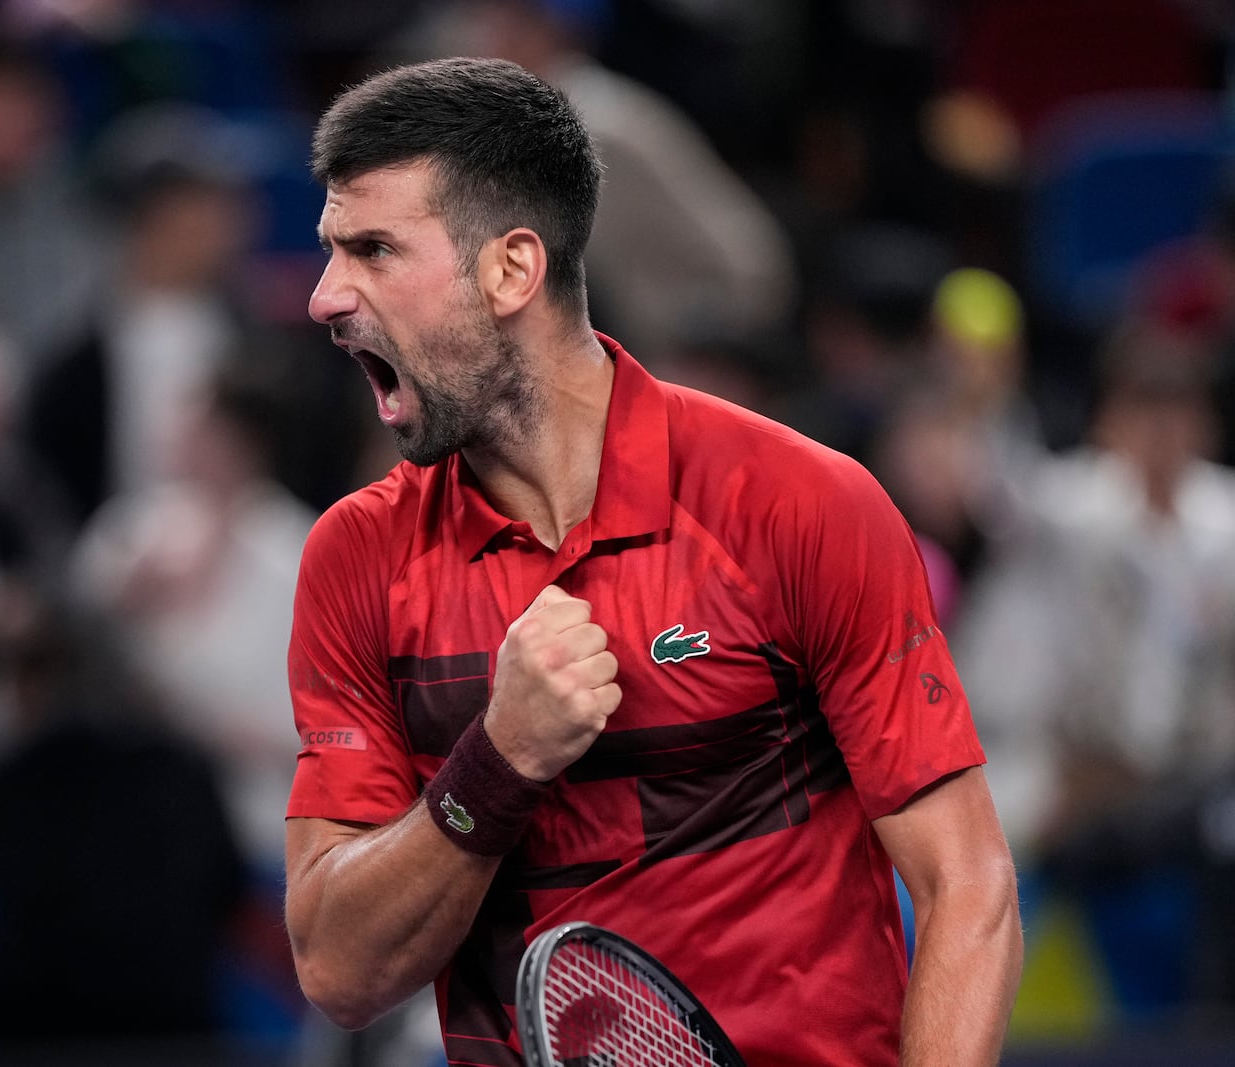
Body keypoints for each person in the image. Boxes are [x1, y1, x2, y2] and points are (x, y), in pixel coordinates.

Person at [284, 57, 1022, 1067]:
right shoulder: (356, 558)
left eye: (372, 249)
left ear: (510, 269)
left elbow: (964, 884)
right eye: (331, 251)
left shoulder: (794, 502)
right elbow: (338, 969)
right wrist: (494, 763)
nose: (327, 297)